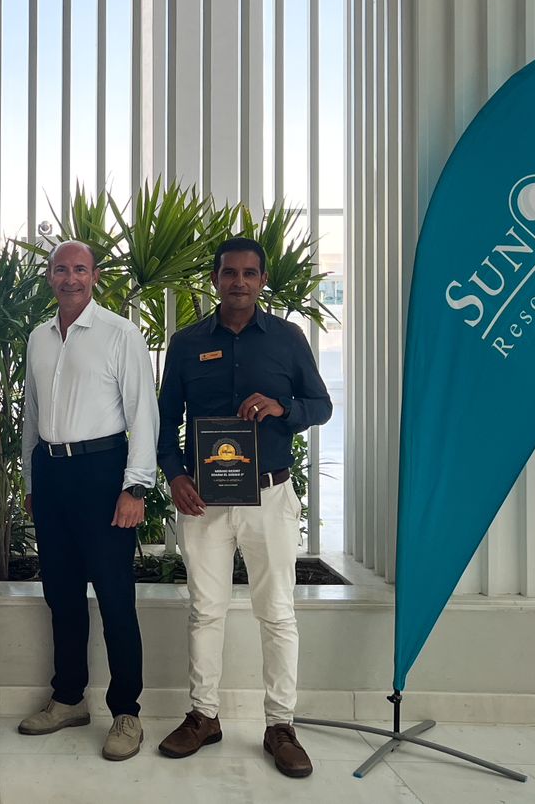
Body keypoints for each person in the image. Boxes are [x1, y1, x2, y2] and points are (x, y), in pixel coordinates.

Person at [155, 237, 333, 779]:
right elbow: (165, 423)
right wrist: (176, 475)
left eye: (249, 273)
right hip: (204, 502)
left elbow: (322, 405)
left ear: (262, 280)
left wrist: (284, 407)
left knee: (276, 612)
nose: (238, 282)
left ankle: (280, 726)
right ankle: (203, 716)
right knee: (205, 610)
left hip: (270, 496)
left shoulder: (288, 339)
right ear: (214, 279)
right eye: (229, 273)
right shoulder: (186, 344)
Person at [17, 240, 159, 762]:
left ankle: (126, 711)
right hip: (52, 474)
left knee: (116, 598)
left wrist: (135, 487)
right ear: (49, 277)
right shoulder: (38, 337)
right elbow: (32, 414)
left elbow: (143, 413)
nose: (70, 278)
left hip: (104, 474)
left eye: (80, 269)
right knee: (62, 595)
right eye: (61, 269)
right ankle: (69, 698)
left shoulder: (120, 333)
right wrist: (31, 482)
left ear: (95, 276)